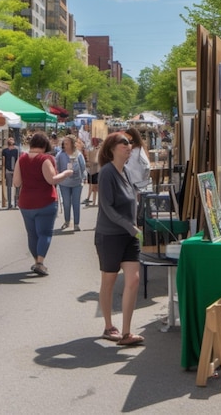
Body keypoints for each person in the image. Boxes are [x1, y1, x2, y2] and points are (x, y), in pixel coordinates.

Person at [95, 132, 145, 347]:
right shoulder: (107, 173)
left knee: (133, 280)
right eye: (123, 143)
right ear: (111, 148)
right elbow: (106, 207)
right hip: (110, 236)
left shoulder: (126, 172)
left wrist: (136, 224)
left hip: (129, 235)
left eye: (130, 143)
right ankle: (108, 326)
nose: (128, 146)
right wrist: (130, 226)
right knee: (109, 280)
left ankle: (126, 332)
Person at [12, 131, 73, 275]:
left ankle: (36, 261)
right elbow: (52, 180)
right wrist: (66, 173)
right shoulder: (45, 159)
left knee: (32, 234)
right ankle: (40, 262)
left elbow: (16, 183)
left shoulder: (22, 158)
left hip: (26, 202)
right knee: (44, 233)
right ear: (45, 145)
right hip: (45, 201)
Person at [55, 134, 86, 232]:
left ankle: (76, 223)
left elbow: (83, 166)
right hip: (64, 183)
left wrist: (83, 178)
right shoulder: (60, 155)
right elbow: (57, 167)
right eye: (64, 143)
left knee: (76, 203)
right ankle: (67, 221)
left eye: (67, 143)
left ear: (72, 144)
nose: (65, 144)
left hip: (77, 182)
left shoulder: (78, 154)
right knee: (67, 203)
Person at [124, 126, 151, 193]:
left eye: (127, 136)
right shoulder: (139, 148)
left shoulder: (135, 149)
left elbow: (131, 164)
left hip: (133, 178)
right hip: (137, 178)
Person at [2, 137, 20, 209]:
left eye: (12, 140)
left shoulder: (16, 150)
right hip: (8, 170)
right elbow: (3, 161)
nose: (11, 140)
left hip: (15, 170)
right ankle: (9, 204)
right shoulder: (5, 151)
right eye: (10, 140)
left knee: (17, 186)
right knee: (9, 187)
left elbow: (18, 159)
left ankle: (16, 203)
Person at [84, 137, 101, 207]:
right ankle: (91, 200)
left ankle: (94, 201)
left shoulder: (98, 149)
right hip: (92, 169)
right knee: (92, 185)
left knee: (95, 186)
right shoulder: (91, 149)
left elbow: (96, 160)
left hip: (96, 170)